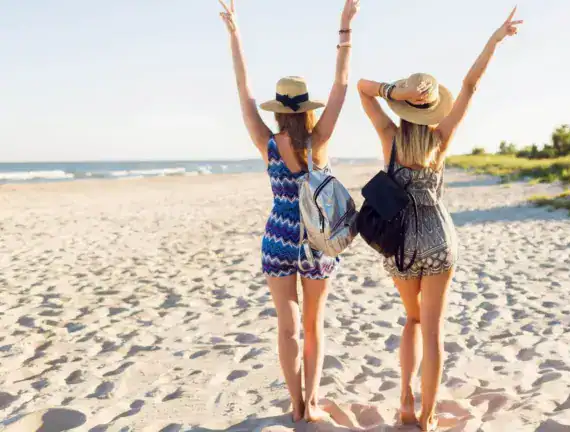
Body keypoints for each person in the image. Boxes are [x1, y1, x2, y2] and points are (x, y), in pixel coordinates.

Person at [356, 7, 523, 431]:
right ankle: (428, 418)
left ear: (404, 106)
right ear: (431, 108)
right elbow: (470, 84)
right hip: (439, 237)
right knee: (432, 330)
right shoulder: (441, 138)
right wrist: (496, 39)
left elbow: (361, 88)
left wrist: (393, 91)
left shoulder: (389, 137)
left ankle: (406, 403)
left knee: (411, 321)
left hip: (400, 240)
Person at [217, 0, 360, 423]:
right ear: (307, 107)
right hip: (318, 242)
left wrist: (235, 35)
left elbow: (244, 93)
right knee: (314, 327)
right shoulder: (321, 141)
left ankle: (294, 403)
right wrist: (344, 27)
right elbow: (342, 86)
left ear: (278, 109)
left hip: (278, 238)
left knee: (287, 327)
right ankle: (311, 405)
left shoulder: (267, 143)